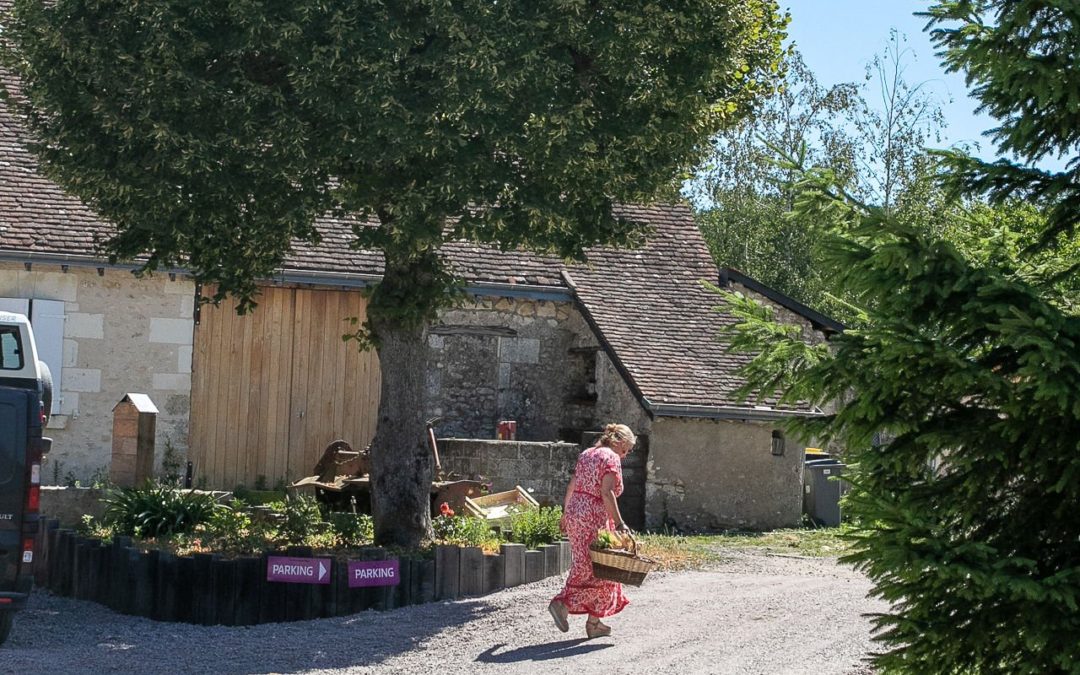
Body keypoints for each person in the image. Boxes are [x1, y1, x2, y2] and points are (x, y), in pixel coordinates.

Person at [548, 423, 636, 639]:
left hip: (576, 512)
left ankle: (594, 623)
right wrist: (619, 523)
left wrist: (566, 514)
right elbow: (607, 493)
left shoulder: (587, 454)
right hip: (593, 516)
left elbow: (572, 486)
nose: (626, 454)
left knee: (590, 564)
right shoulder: (610, 457)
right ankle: (563, 603)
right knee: (601, 566)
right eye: (627, 449)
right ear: (620, 442)